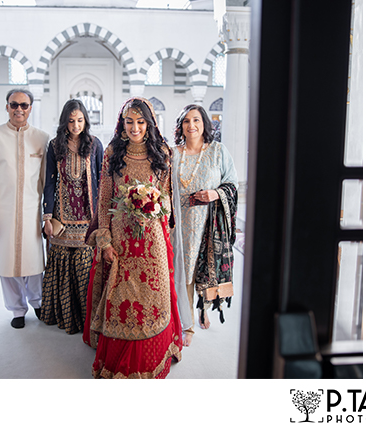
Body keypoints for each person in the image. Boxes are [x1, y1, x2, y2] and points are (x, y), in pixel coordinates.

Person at [84, 97, 183, 378]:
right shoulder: (113, 151)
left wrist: (153, 205)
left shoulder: (162, 152)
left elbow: (165, 196)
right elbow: (104, 199)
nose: (135, 128)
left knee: (154, 297)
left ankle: (155, 355)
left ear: (149, 124)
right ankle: (119, 361)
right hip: (121, 236)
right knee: (122, 296)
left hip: (152, 238)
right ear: (122, 123)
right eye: (129, 122)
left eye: (141, 122)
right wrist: (105, 241)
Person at [0, 89, 51, 329]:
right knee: (6, 264)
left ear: (30, 108)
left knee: (33, 262)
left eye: (24, 105)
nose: (19, 109)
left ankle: (37, 303)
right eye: (14, 104)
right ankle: (17, 310)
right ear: (7, 107)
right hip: (2, 213)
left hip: (31, 212)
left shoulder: (41, 138)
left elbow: (44, 181)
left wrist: (46, 214)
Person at [170, 104, 239, 347]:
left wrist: (215, 194)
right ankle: (186, 321)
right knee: (184, 269)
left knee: (205, 269)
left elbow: (232, 183)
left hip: (209, 224)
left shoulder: (217, 151)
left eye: (197, 120)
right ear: (181, 126)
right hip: (179, 223)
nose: (192, 125)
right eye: (186, 121)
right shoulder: (173, 154)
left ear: (205, 124)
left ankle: (203, 308)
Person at [40, 99, 104, 335]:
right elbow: (49, 182)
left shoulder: (95, 145)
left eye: (80, 120)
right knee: (62, 267)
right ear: (64, 122)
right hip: (62, 218)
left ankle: (87, 320)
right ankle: (65, 318)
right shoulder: (55, 145)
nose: (76, 125)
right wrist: (47, 217)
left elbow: (103, 180)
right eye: (71, 121)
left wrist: (103, 219)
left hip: (88, 219)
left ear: (85, 120)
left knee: (86, 267)